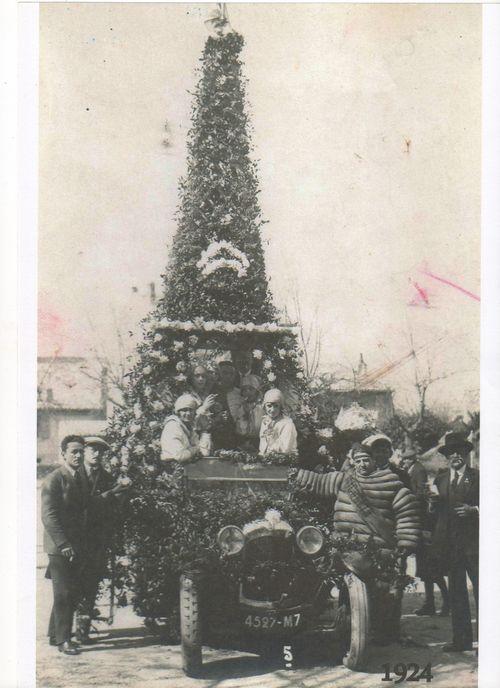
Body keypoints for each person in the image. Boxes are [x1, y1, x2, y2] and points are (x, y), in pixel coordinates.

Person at [295, 444, 421, 643]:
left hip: (379, 551)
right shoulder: (344, 479)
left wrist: (406, 541)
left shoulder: (390, 481)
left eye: (366, 460)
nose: (362, 464)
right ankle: (347, 632)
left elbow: (406, 512)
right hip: (345, 548)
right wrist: (292, 473)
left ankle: (382, 634)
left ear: (373, 461)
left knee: (382, 594)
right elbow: (317, 482)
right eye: (358, 460)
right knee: (345, 593)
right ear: (353, 461)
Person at [75, 437, 129, 643]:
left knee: (91, 583)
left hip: (97, 540)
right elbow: (82, 505)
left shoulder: (106, 477)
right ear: (84, 452)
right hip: (76, 538)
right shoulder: (74, 475)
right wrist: (110, 494)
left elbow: (114, 509)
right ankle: (59, 633)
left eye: (100, 451)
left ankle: (82, 631)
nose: (96, 454)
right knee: (70, 585)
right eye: (92, 450)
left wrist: (120, 495)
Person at [429, 432, 479, 652]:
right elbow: (436, 513)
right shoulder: (439, 480)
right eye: (451, 452)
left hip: (475, 545)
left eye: (460, 451)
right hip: (450, 545)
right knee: (457, 593)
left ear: (467, 454)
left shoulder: (478, 477)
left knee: (482, 591)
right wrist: (431, 504)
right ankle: (461, 640)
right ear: (446, 457)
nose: (455, 456)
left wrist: (474, 510)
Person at [41, 435, 86, 655]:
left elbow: (87, 505)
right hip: (60, 547)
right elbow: (49, 516)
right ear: (63, 454)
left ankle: (54, 634)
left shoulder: (80, 476)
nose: (78, 455)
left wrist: (114, 493)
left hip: (75, 544)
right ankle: (64, 640)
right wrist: (63, 543)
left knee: (68, 591)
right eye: (74, 452)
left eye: (81, 451)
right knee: (64, 593)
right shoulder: (54, 479)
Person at [400, 447, 450, 617]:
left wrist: (423, 528)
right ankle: (430, 604)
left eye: (407, 459)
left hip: (424, 525)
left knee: (432, 568)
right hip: (420, 524)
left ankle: (446, 602)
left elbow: (420, 497)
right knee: (425, 569)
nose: (405, 461)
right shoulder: (414, 470)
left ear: (413, 459)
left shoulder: (418, 470)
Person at [160, 394, 202, 463]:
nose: (188, 413)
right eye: (184, 410)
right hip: (172, 468)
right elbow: (180, 456)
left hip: (187, 468)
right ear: (178, 412)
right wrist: (196, 449)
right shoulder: (172, 426)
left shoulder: (189, 427)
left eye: (191, 410)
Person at [259, 388, 298, 456]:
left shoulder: (287, 424)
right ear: (264, 406)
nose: (272, 410)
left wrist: (270, 438)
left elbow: (285, 449)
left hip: (284, 459)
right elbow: (262, 445)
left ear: (281, 406)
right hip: (267, 458)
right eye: (269, 406)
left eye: (276, 406)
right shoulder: (265, 421)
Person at [235, 374, 264, 450]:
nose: (247, 392)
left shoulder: (262, 407)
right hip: (243, 442)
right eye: (244, 389)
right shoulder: (241, 408)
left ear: (257, 391)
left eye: (251, 389)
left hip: (259, 442)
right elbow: (240, 428)